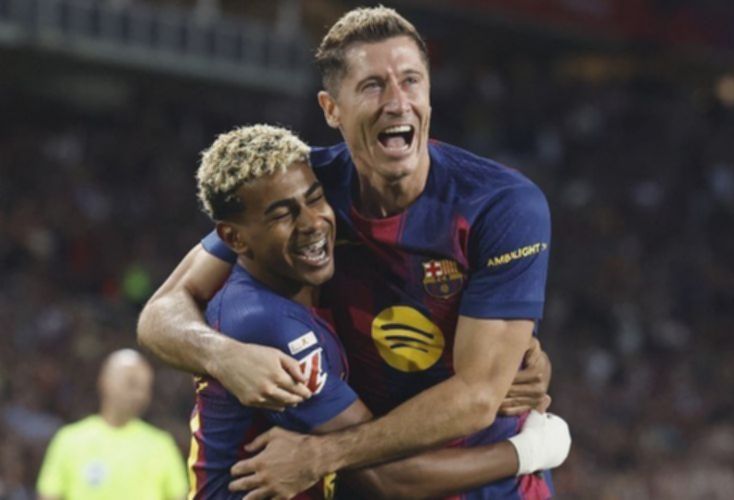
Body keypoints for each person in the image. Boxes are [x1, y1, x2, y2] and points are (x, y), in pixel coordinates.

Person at [138, 6, 559, 498]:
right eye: (373, 86)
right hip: (373, 471)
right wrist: (224, 356)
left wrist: (324, 455)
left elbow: (478, 397)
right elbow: (161, 312)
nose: (397, 102)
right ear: (331, 109)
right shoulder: (307, 191)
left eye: (411, 81)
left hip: (485, 482)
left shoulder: (501, 205)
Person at [188, 123, 569, 499]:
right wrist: (534, 449)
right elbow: (388, 479)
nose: (312, 222)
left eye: (315, 199)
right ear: (234, 238)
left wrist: (510, 360)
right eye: (281, 215)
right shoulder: (267, 325)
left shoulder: (301, 284)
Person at [36, 349, 188, 500]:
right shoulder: (69, 440)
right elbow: (49, 495)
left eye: (145, 387)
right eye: (132, 383)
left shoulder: (161, 445)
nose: (139, 394)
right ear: (105, 381)